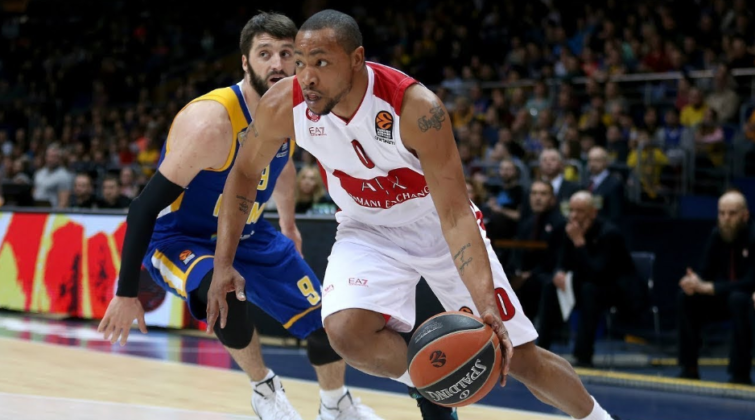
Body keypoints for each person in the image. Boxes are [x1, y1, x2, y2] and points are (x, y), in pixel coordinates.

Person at [212, 9, 619, 420]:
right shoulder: (285, 104)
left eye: (321, 63)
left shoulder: (416, 109)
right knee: (346, 333)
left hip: (438, 226)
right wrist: (223, 264)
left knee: (521, 359)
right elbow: (244, 173)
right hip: (365, 228)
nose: (307, 77)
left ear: (356, 60)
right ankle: (430, 387)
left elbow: (456, 214)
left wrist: (485, 306)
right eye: (300, 63)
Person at [96, 12, 382, 420]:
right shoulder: (211, 123)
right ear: (246, 62)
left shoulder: (290, 108)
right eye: (265, 54)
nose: (277, 64)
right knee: (225, 293)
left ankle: (336, 404)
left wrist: (288, 224)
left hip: (249, 232)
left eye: (287, 54)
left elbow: (282, 165)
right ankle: (265, 389)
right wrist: (126, 293)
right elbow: (142, 207)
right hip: (179, 238)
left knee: (326, 323)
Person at [677, 190, 755, 384]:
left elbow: (750, 281)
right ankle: (689, 367)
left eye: (732, 213)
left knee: (738, 300)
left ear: (745, 215)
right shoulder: (716, 235)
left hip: (747, 298)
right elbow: (705, 272)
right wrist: (693, 281)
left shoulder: (753, 236)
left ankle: (740, 373)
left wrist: (711, 288)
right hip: (723, 295)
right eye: (722, 213)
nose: (726, 218)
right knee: (687, 297)